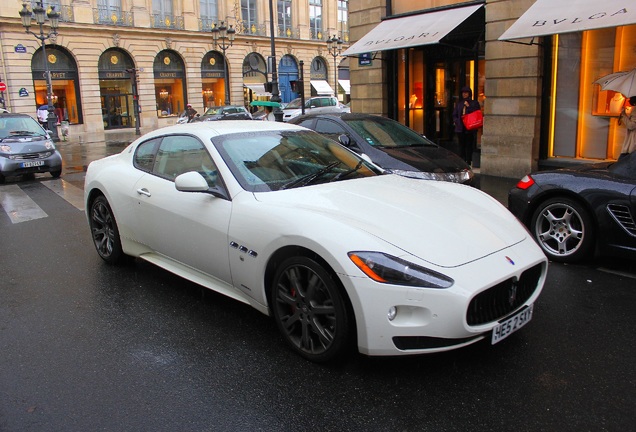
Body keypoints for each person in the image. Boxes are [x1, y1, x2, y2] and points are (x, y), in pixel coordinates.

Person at [452, 86, 481, 166]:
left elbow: (476, 113)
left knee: (469, 145)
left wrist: (469, 106)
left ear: (469, 94)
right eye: (463, 93)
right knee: (461, 145)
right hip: (460, 128)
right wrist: (456, 121)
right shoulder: (459, 104)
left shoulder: (474, 103)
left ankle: (468, 160)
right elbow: (455, 114)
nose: (464, 94)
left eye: (466, 93)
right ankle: (462, 160)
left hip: (470, 128)